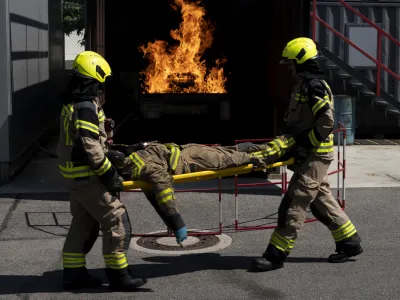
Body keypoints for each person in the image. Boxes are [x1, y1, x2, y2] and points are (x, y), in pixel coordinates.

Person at [239, 37, 363, 272]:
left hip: (314, 156)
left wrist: (306, 144)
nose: (290, 69)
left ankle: (275, 256)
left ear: (301, 61)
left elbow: (326, 121)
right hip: (309, 155)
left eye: (291, 64)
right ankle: (350, 242)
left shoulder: (315, 86)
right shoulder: (305, 85)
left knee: (294, 203)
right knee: (321, 200)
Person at [56, 50, 147, 290]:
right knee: (115, 218)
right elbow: (90, 146)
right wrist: (110, 174)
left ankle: (73, 274)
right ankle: (118, 275)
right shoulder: (86, 106)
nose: (100, 88)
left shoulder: (73, 102)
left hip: (73, 176)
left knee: (83, 222)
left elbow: (86, 141)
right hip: (87, 177)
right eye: (99, 83)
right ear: (90, 80)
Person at [109, 142, 268, 244]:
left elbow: (163, 188)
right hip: (188, 151)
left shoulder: (143, 169)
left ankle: (255, 155)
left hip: (188, 159)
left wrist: (177, 222)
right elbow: (155, 198)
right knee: (227, 153)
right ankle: (264, 148)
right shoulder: (136, 160)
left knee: (226, 160)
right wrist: (171, 223)